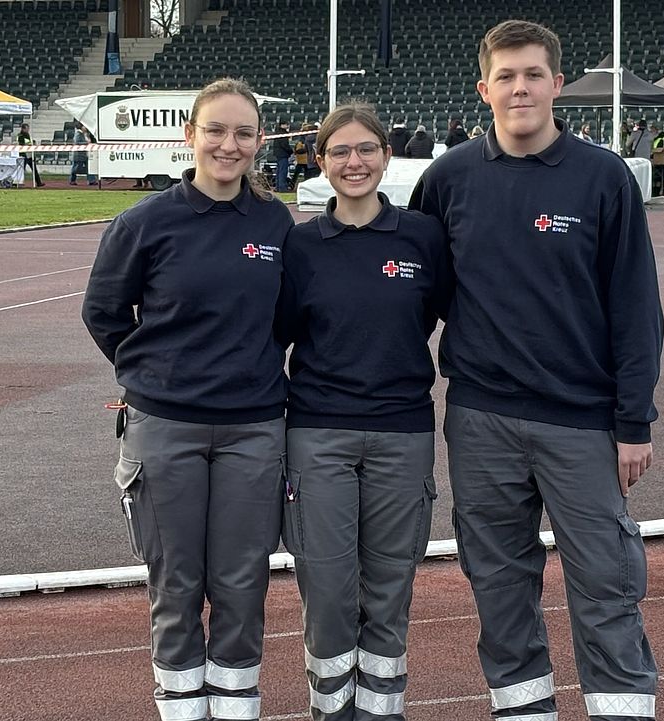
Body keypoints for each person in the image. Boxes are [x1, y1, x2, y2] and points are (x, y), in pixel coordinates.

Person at [410, 19, 663, 721]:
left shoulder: (603, 178)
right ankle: (523, 709)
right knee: (497, 582)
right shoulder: (448, 178)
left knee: (606, 580)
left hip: (581, 422)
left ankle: (621, 709)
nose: (519, 87)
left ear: (557, 84)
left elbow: (636, 305)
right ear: (483, 87)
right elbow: (416, 298)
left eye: (533, 74)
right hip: (481, 418)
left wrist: (634, 419)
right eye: (506, 76)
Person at [81, 77, 293, 721]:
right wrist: (156, 372)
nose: (229, 145)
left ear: (259, 142)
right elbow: (104, 311)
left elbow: (284, 317)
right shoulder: (144, 222)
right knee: (175, 581)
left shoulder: (274, 221)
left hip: (254, 428)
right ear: (189, 136)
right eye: (216, 130)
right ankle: (179, 706)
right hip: (165, 425)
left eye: (243, 133)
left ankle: (234, 706)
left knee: (241, 580)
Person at [276, 101, 452, 721]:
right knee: (326, 592)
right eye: (340, 152)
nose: (355, 162)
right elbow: (278, 333)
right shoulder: (298, 245)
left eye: (366, 149)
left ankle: (381, 712)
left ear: (385, 155)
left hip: (402, 434)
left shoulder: (422, 237)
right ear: (320, 162)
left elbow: (442, 314)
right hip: (319, 434)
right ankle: (331, 712)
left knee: (388, 591)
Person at [17, 123, 45, 187]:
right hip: (24, 155)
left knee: (34, 169)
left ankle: (38, 182)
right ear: (23, 129)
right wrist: (31, 144)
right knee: (22, 170)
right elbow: (26, 144)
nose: (28, 130)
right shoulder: (21, 136)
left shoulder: (25, 135)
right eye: (27, 128)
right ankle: (19, 182)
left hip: (28, 155)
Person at [271, 121, 293, 191]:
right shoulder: (283, 134)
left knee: (279, 171)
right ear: (282, 125)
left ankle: (278, 187)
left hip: (278, 153)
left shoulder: (277, 133)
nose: (287, 126)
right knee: (283, 171)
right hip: (283, 154)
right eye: (286, 124)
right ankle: (282, 187)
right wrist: (290, 151)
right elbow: (284, 145)